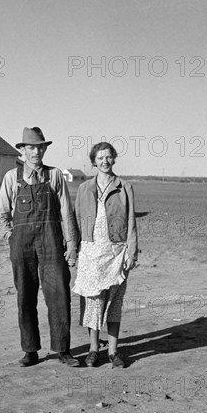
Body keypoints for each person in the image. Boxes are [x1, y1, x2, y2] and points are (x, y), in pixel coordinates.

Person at [0, 127, 79, 367]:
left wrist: (71, 245)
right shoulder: (12, 178)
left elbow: (67, 214)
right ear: (22, 150)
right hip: (23, 248)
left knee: (59, 296)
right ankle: (30, 350)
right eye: (31, 147)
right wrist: (12, 240)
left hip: (52, 245)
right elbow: (0, 217)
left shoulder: (54, 176)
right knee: (25, 297)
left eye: (40, 147)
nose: (36, 151)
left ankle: (63, 350)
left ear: (44, 149)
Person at [73, 142, 138, 368]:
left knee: (113, 302)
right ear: (94, 161)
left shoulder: (124, 187)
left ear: (114, 159)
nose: (104, 161)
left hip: (116, 251)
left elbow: (131, 221)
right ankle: (93, 350)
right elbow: (76, 220)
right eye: (100, 158)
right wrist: (74, 249)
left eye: (108, 157)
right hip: (90, 251)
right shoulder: (84, 189)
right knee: (93, 301)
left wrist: (132, 251)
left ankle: (112, 351)